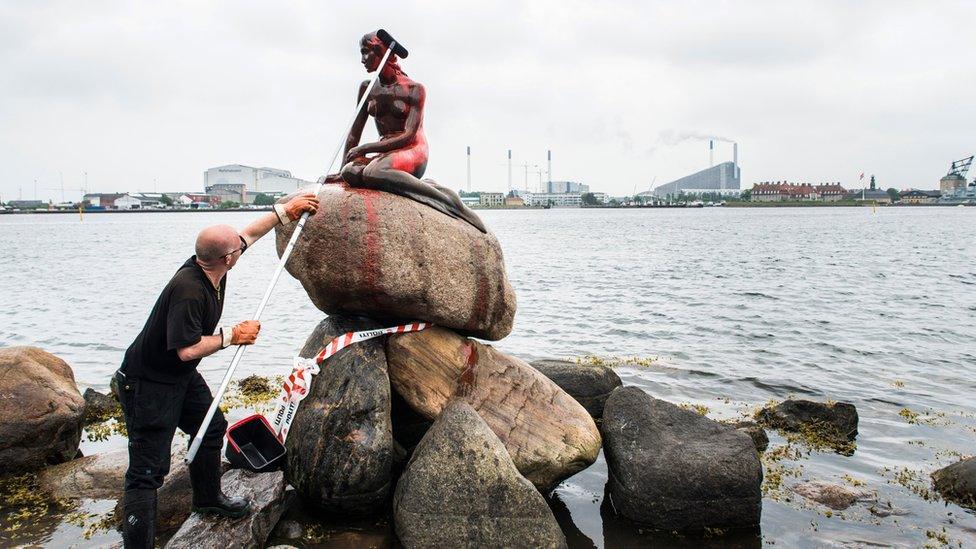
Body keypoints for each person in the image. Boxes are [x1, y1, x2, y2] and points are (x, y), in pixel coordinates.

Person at [115, 193, 319, 548]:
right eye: (236, 249)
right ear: (227, 258)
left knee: (211, 429)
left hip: (180, 377)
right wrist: (232, 336)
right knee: (147, 473)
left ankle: (208, 498)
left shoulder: (211, 264)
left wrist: (287, 211)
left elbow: (248, 235)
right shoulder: (189, 290)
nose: (242, 248)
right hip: (148, 382)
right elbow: (186, 349)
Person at [336, 31, 486, 233]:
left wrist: (367, 148)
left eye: (366, 53)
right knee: (351, 172)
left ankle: (448, 200)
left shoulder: (414, 89)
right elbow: (354, 133)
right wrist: (341, 169)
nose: (362, 60)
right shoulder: (367, 88)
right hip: (385, 153)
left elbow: (409, 135)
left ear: (382, 53)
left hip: (413, 150)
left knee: (374, 172)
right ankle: (420, 185)